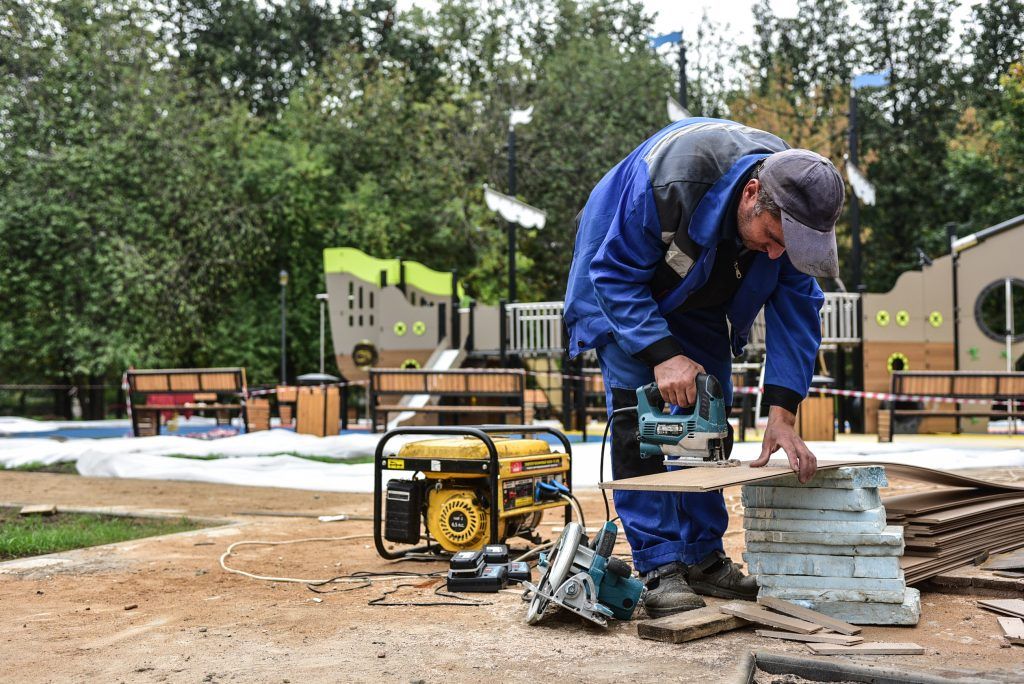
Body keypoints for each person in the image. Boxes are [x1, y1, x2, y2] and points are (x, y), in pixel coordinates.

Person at [563, 117, 845, 617]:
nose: (778, 253)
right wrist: (662, 354)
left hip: (703, 291)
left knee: (705, 420)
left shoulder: (791, 203)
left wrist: (782, 414)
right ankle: (660, 565)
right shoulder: (669, 181)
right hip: (622, 279)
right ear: (751, 194)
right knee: (641, 420)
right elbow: (613, 273)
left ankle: (701, 557)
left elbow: (798, 313)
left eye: (792, 247)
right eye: (774, 237)